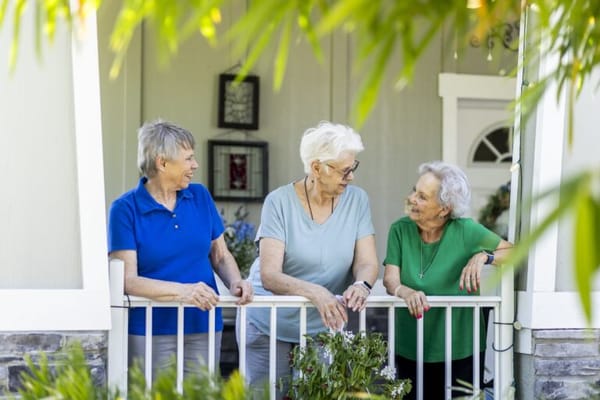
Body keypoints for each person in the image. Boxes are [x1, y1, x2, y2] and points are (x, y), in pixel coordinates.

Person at [238, 121, 379, 398]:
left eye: (353, 167)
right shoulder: (278, 202)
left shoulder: (357, 200)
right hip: (269, 321)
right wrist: (317, 293)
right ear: (317, 168)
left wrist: (362, 284)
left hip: (321, 325)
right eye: (344, 170)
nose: (350, 177)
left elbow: (367, 262)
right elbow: (270, 275)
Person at [108, 119, 253, 376]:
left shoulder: (199, 196)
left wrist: (235, 281)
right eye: (188, 159)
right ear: (162, 162)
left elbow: (219, 255)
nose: (195, 165)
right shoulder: (125, 209)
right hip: (150, 329)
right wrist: (183, 292)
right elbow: (127, 280)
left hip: (204, 324)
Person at [383, 161, 512, 399]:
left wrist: (485, 256)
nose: (412, 198)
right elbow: (391, 279)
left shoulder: (466, 230)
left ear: (444, 208)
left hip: (460, 348)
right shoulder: (399, 229)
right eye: (414, 191)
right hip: (411, 346)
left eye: (422, 196)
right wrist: (405, 292)